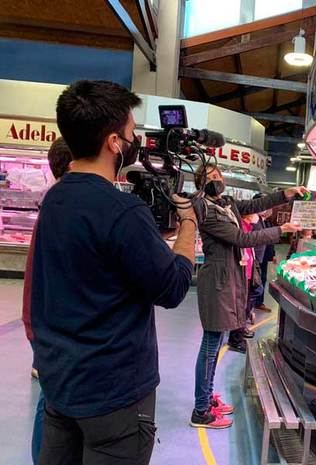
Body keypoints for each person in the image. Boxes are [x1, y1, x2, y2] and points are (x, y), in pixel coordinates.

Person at [32, 80, 196, 465]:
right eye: (131, 131)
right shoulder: (122, 211)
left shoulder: (55, 199)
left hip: (61, 383)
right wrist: (188, 225)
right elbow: (172, 288)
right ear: (114, 143)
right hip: (115, 397)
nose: (135, 138)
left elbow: (101, 256)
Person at [191, 164, 303, 429]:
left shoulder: (225, 203)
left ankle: (206, 399)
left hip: (229, 279)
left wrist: (286, 193)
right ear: (201, 182)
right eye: (210, 177)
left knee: (215, 344)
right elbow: (241, 238)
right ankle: (201, 410)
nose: (217, 180)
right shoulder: (205, 210)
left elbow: (257, 204)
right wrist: (280, 231)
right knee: (210, 347)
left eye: (218, 175)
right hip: (218, 282)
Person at [22, 137, 73, 465]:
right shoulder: (63, 205)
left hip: (43, 320)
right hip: (50, 322)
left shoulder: (56, 202)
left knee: (52, 395)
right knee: (52, 401)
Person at [227, 211, 261, 351]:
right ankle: (235, 339)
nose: (257, 215)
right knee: (240, 307)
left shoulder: (248, 227)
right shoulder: (240, 228)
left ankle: (239, 332)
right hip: (242, 274)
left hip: (248, 272)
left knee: (246, 305)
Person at [251, 195, 276, 313]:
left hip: (264, 256)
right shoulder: (252, 221)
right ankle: (251, 305)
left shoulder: (263, 220)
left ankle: (258, 302)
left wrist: (272, 254)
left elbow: (269, 240)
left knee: (262, 279)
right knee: (255, 282)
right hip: (254, 257)